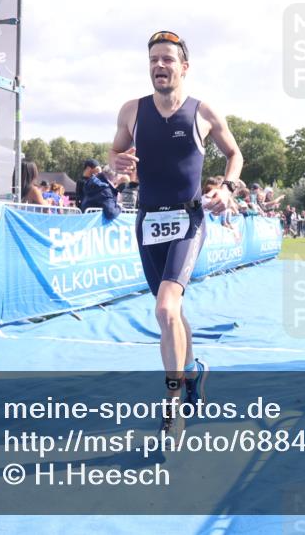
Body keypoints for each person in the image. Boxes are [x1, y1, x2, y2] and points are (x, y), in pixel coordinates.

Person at [109, 30, 242, 435]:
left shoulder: (203, 113)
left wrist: (227, 187)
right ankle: (193, 372)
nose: (159, 66)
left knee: (166, 308)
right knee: (173, 313)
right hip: (147, 222)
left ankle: (173, 402)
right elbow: (115, 154)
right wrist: (117, 166)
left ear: (184, 67)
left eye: (167, 59)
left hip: (188, 220)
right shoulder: (132, 111)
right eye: (153, 60)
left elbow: (235, 155)